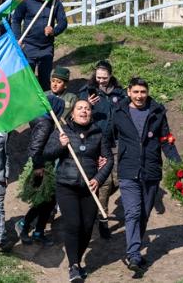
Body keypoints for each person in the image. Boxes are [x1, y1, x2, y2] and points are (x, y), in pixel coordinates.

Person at [112, 77, 181, 271]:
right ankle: (133, 254)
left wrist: (179, 166)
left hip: (151, 171)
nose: (139, 96)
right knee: (132, 212)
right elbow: (108, 136)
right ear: (129, 92)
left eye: (143, 92)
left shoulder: (157, 112)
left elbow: (166, 140)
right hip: (128, 170)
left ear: (147, 92)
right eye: (136, 92)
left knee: (143, 214)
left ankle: (134, 246)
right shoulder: (119, 112)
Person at [43, 99, 113, 282]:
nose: (84, 111)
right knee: (73, 224)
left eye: (87, 108)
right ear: (72, 113)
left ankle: (78, 260)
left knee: (88, 227)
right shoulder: (62, 131)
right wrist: (60, 145)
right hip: (66, 185)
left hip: (90, 188)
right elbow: (47, 154)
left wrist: (98, 179)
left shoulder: (99, 133)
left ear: (91, 113)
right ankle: (73, 266)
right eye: (79, 108)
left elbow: (109, 159)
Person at [78, 59, 127, 239]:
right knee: (105, 183)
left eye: (104, 78)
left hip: (116, 141)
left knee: (118, 180)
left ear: (110, 75)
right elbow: (77, 115)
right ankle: (103, 219)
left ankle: (95, 202)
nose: (100, 81)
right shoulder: (87, 91)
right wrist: (88, 104)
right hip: (97, 142)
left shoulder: (120, 94)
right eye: (98, 77)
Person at [16, 94, 64, 247]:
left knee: (48, 201)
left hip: (44, 165)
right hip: (42, 167)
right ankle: (24, 225)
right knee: (43, 200)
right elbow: (36, 147)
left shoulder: (43, 120)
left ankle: (39, 232)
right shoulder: (45, 123)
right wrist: (38, 166)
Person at [11, 0, 67, 91]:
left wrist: (54, 31)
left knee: (45, 80)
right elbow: (16, 20)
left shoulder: (55, 2)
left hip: (46, 48)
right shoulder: (26, 1)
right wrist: (17, 38)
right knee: (27, 79)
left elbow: (63, 22)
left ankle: (45, 104)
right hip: (28, 46)